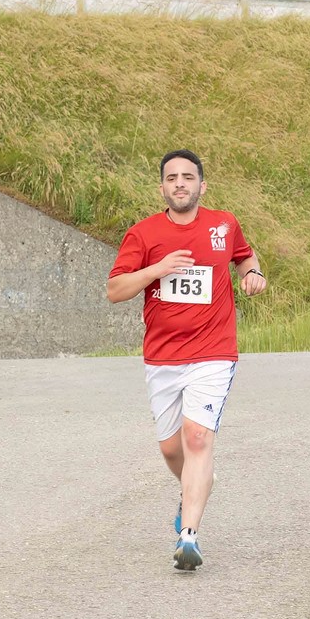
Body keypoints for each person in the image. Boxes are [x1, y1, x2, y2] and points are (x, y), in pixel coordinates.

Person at [106, 149, 266, 571]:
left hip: (213, 351)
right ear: (162, 187)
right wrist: (156, 269)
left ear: (202, 185)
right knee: (171, 448)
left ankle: (189, 536)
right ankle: (194, 485)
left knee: (197, 438)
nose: (180, 183)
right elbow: (115, 290)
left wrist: (252, 273)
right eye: (172, 178)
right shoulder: (143, 234)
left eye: (188, 177)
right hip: (162, 357)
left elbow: (245, 256)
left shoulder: (223, 225)